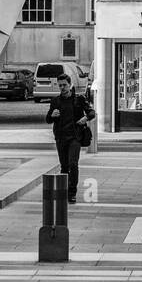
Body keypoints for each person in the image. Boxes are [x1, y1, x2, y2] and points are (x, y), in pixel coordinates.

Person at [46, 72, 96, 204]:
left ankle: (72, 192)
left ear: (70, 85)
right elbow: (48, 119)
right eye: (60, 85)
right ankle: (64, 191)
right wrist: (52, 115)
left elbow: (91, 112)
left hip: (75, 137)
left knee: (73, 164)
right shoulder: (55, 101)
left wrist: (85, 118)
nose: (62, 88)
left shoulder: (78, 99)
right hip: (61, 137)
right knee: (64, 166)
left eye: (64, 85)